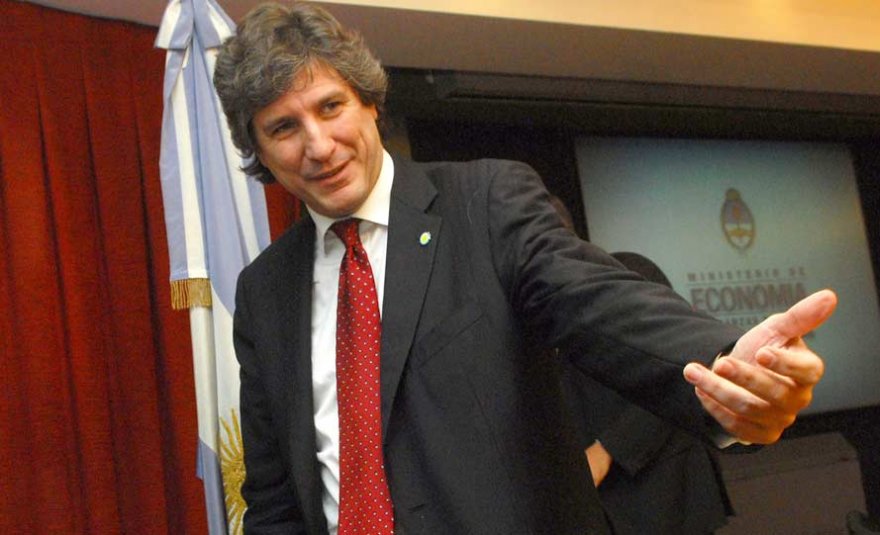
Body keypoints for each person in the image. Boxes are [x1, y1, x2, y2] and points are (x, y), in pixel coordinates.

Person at [215, 3, 837, 533]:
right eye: (284, 127)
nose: (318, 145)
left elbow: (602, 305)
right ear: (258, 149)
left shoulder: (483, 204)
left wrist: (725, 366)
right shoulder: (266, 290)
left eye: (330, 107)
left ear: (370, 102)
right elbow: (275, 494)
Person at [562, 251, 734, 534]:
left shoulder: (627, 269)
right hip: (596, 501)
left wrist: (607, 450)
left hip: (666, 488)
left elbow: (676, 375)